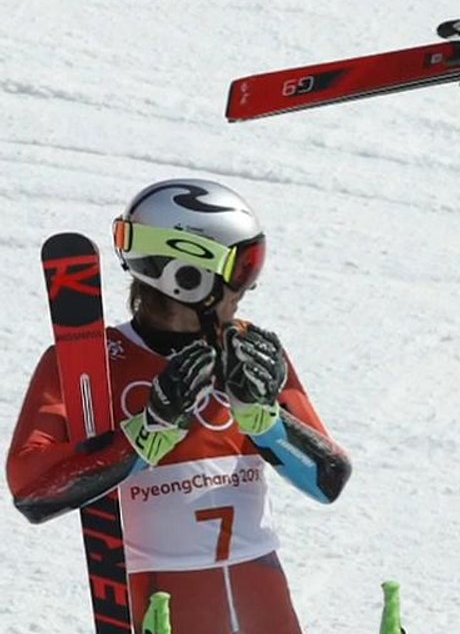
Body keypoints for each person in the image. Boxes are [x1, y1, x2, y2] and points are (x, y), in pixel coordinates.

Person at [8, 179, 352, 634]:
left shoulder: (250, 354)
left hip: (260, 586)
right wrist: (143, 438)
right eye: (244, 268)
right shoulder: (90, 361)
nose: (249, 287)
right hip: (164, 595)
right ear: (187, 275)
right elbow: (32, 489)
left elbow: (328, 479)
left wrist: (267, 424)